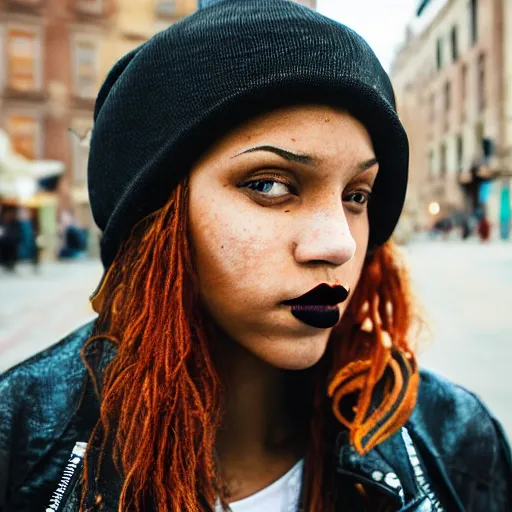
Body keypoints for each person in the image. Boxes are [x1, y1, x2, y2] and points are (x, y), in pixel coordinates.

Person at [1, 1, 511, 511]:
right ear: (156, 217)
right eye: (270, 184)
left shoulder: (457, 439)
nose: (339, 243)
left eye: (356, 195)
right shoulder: (19, 444)